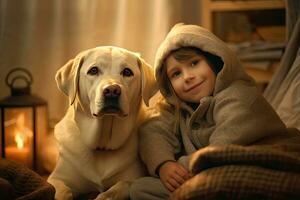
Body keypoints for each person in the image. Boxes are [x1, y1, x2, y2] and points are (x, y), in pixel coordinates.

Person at [130, 23, 287, 200]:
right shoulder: (177, 106)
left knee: (214, 185)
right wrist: (164, 164)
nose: (188, 76)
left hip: (250, 166)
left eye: (194, 63)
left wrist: (180, 166)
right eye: (176, 74)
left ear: (214, 60)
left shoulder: (240, 96)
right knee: (140, 189)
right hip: (204, 171)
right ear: (168, 85)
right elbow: (152, 130)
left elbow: (221, 149)